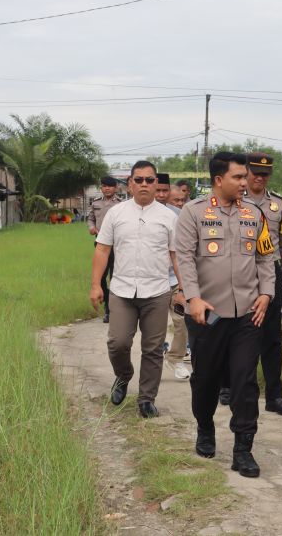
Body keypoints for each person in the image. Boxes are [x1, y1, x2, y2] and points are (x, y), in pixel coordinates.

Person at [174, 151, 276, 478]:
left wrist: (266, 293)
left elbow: (264, 258)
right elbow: (185, 259)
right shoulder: (193, 213)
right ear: (219, 180)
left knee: (245, 381)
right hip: (208, 314)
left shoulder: (254, 214)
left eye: (246, 177)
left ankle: (243, 448)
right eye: (239, 177)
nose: (246, 183)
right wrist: (193, 298)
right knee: (205, 380)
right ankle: (205, 426)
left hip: (247, 313)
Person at [89, 161, 183, 418]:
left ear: (156, 185)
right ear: (130, 184)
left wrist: (183, 288)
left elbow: (177, 255)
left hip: (157, 291)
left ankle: (146, 398)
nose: (144, 184)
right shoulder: (116, 214)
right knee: (117, 342)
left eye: (149, 180)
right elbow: (102, 249)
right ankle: (123, 375)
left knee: (152, 349)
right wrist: (96, 284)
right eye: (138, 180)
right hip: (122, 290)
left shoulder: (169, 217)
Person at [218, 152, 282, 417]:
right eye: (255, 173)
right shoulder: (232, 201)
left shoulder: (279, 204)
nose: (260, 178)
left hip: (271, 274)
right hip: (238, 273)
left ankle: (274, 396)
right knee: (232, 331)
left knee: (270, 337)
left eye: (266, 174)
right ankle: (228, 387)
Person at [157, 176, 190, 380]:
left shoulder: (178, 215)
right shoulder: (135, 213)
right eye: (157, 190)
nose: (161, 195)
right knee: (155, 326)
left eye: (164, 190)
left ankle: (175, 359)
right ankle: (155, 355)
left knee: (182, 320)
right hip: (152, 282)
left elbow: (185, 248)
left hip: (175, 279)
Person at [87, 176, 123, 323]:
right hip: (101, 244)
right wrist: (91, 227)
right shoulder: (96, 203)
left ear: (115, 188)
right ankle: (107, 307)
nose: (107, 188)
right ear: (101, 188)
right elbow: (90, 218)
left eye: (110, 186)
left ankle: (114, 311)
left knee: (115, 277)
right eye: (104, 186)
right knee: (100, 277)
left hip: (117, 245)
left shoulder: (122, 204)